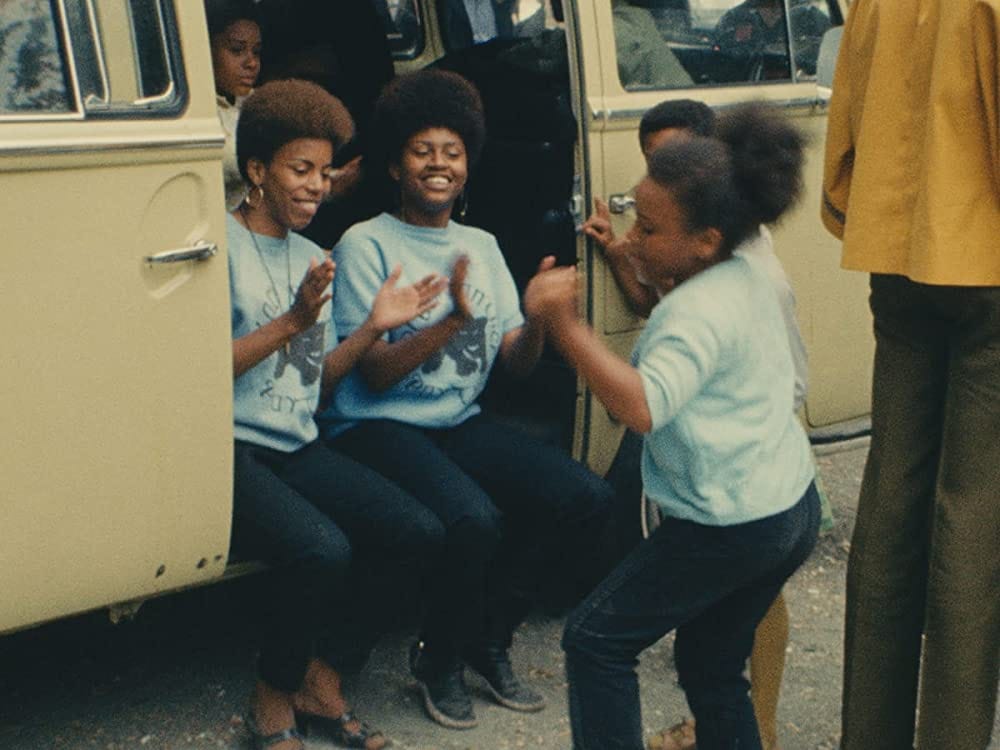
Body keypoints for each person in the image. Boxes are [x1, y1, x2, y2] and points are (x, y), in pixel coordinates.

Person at [317, 69, 613, 731]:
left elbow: (513, 365)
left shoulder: (480, 247)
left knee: (585, 499)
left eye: (452, 153)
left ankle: (489, 636)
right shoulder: (366, 244)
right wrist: (449, 321)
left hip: (455, 420)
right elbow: (375, 378)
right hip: (375, 424)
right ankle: (438, 659)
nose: (439, 164)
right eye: (423, 151)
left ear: (468, 166)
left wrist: (539, 319)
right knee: (473, 518)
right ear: (395, 164)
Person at [533, 103, 820, 750]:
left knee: (595, 639)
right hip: (789, 508)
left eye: (650, 227)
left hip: (733, 524)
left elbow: (639, 406)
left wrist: (564, 325)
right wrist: (629, 259)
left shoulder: (695, 311)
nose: (634, 236)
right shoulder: (747, 267)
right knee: (711, 666)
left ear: (706, 240)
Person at [228, 78, 448, 750]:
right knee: (322, 551)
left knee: (417, 531)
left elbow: (314, 389)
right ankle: (271, 695)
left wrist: (372, 329)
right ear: (258, 171)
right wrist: (293, 318)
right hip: (231, 450)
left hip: (296, 442)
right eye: (300, 169)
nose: (317, 186)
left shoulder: (310, 257)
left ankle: (322, 679)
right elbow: (193, 375)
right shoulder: (218, 250)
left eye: (325, 172)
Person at [822, 1, 1000, 748]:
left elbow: (842, 154)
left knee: (891, 499)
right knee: (972, 517)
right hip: (986, 268)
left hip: (896, 263)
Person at [207, 0, 262, 211]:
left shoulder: (258, 104)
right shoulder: (191, 110)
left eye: (256, 52)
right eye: (237, 50)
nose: (251, 63)